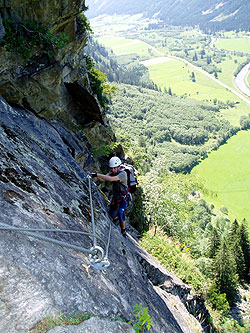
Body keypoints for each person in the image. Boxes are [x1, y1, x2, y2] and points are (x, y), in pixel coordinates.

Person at [91, 156, 128, 238]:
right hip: (116, 197)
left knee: (121, 212)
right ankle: (115, 219)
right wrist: (95, 176)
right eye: (112, 168)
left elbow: (111, 179)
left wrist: (97, 174)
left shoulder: (123, 174)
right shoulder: (112, 172)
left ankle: (123, 230)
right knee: (111, 213)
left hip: (123, 198)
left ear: (119, 166)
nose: (113, 170)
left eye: (115, 168)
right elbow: (103, 179)